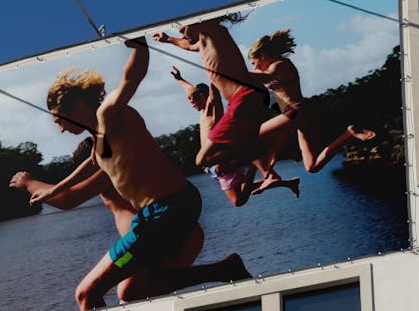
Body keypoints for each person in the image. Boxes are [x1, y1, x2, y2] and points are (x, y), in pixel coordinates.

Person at [29, 38, 251, 311]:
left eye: (59, 120)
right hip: (162, 214)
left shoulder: (108, 113)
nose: (60, 129)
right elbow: (94, 163)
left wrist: (139, 45)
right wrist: (53, 189)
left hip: (165, 210)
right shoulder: (100, 135)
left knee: (87, 294)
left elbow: (131, 78)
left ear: (75, 107)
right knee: (133, 291)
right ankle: (225, 270)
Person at [152, 17, 292, 193]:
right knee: (219, 156)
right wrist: (168, 39)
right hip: (246, 98)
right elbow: (186, 45)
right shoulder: (201, 43)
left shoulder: (212, 31)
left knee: (202, 160)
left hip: (244, 97)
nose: (182, 35)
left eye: (182, 30)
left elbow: (200, 18)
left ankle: (260, 149)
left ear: (195, 22)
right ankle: (264, 152)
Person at [247, 29, 377, 172]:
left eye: (254, 62)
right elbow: (256, 77)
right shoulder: (268, 68)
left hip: (297, 111)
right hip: (300, 115)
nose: (254, 67)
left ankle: (274, 163)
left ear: (263, 56)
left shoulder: (280, 64)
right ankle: (348, 135)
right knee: (311, 167)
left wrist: (233, 72)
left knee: (252, 135)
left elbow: (265, 77)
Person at [169, 70, 299, 206]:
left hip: (221, 162)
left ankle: (255, 165)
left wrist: (211, 70)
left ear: (202, 96)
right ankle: (286, 182)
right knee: (243, 189)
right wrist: (179, 78)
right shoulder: (202, 112)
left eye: (192, 101)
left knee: (238, 201)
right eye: (189, 101)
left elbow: (213, 90)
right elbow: (190, 90)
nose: (191, 104)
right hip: (217, 164)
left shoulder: (212, 107)